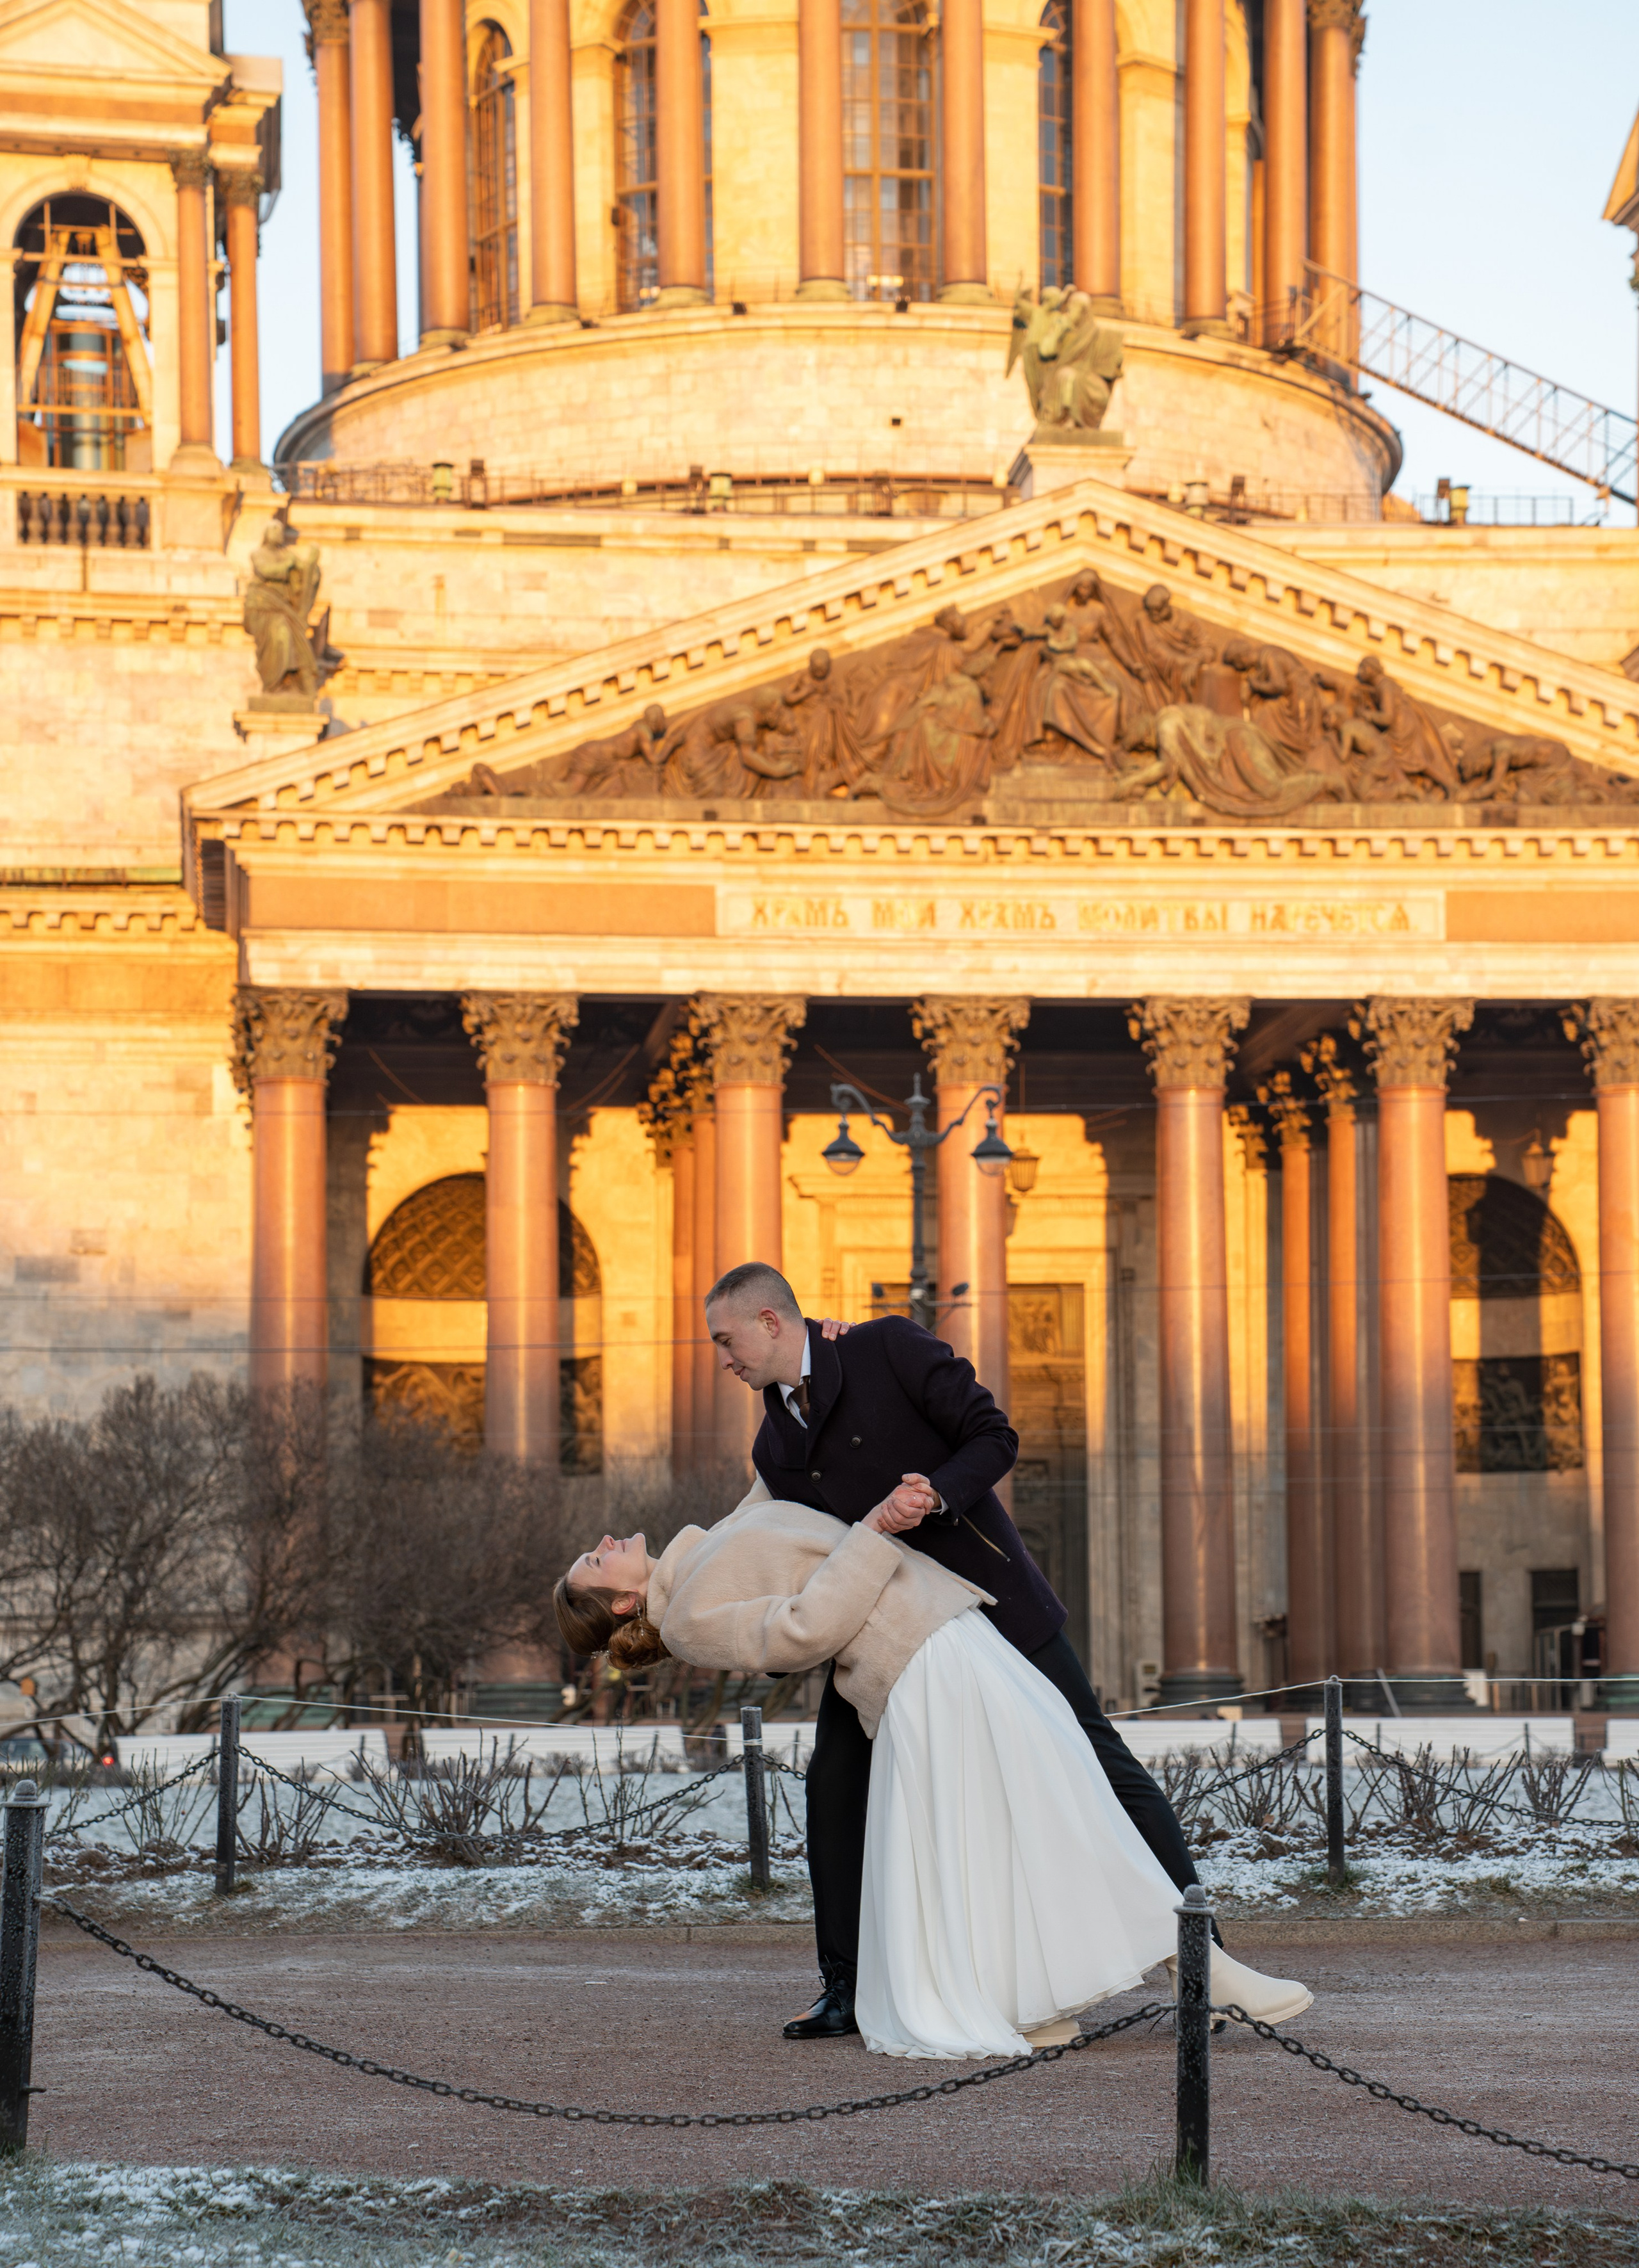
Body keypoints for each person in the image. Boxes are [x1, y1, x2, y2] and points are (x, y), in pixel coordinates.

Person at [554, 1500, 1314, 2061]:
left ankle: (1043, 2002)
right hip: (920, 1659)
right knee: (1061, 1792)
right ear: (622, 1602)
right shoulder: (686, 1616)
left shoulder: (708, 1547)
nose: (603, 1540)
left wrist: (803, 1372)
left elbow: (770, 1481)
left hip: (937, 1636)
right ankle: (1201, 1969)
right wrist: (875, 1531)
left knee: (1022, 1810)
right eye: (594, 1561)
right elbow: (802, 1631)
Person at [698, 1261, 1225, 2044]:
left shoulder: (888, 1347)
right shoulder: (774, 1443)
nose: (723, 1358)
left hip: (994, 1603)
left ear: (772, 1322)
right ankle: (844, 1986)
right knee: (834, 1787)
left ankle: (1205, 1965)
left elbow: (994, 1434)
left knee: (1102, 1761)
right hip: (887, 1636)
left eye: (726, 1339)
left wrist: (936, 1491)